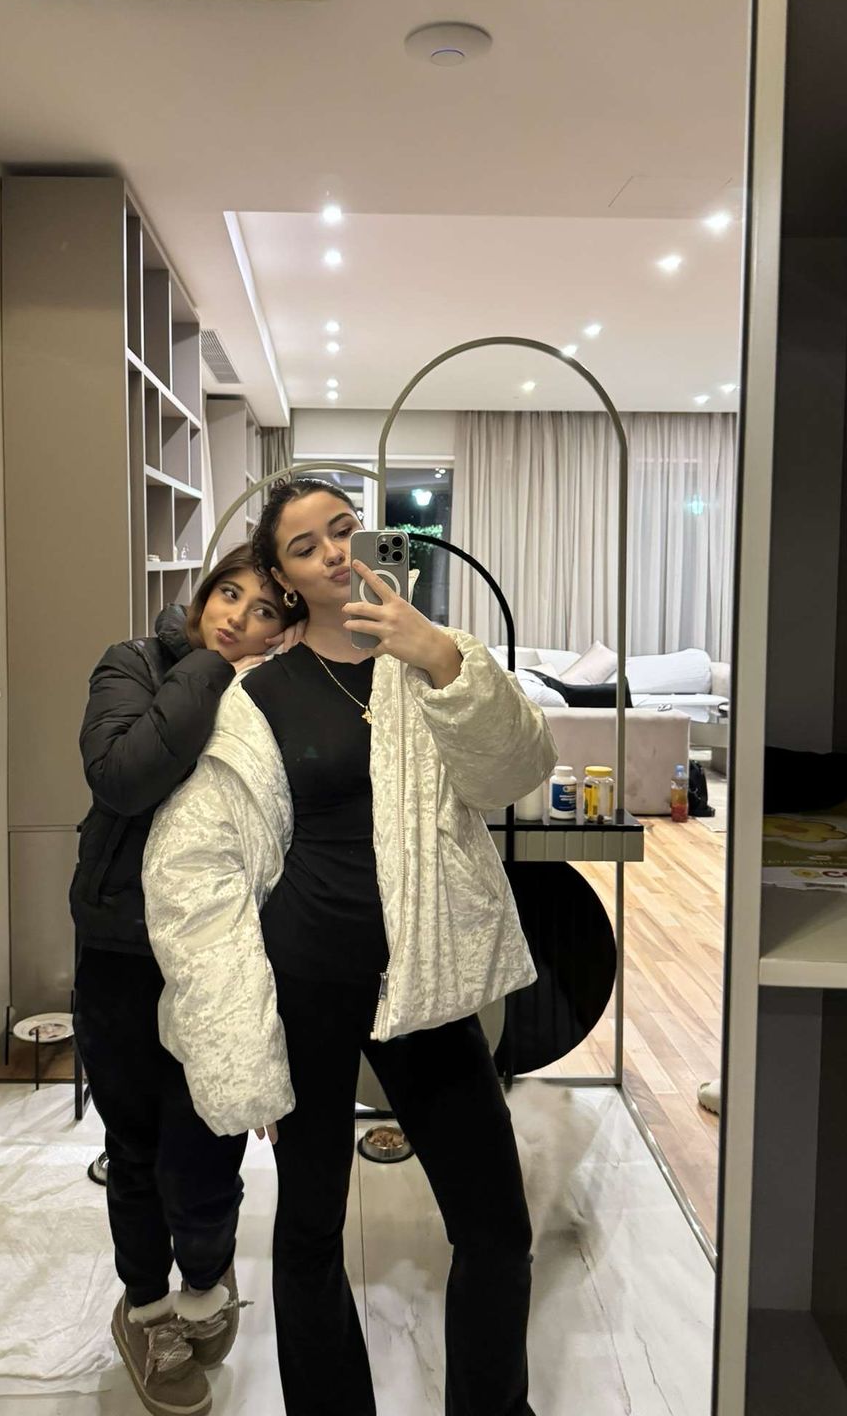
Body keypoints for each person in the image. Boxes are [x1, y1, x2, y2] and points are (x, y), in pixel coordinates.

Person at [143, 479, 557, 1416]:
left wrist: (441, 657)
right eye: (305, 547)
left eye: (343, 530)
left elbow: (518, 773)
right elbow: (199, 869)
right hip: (307, 980)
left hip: (424, 979)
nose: (334, 552)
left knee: (496, 1224)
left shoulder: (433, 661)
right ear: (284, 580)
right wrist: (239, 1049)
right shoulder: (258, 696)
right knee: (310, 1229)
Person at [70, 544, 297, 1416]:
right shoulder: (134, 663)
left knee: (207, 1141)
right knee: (133, 1147)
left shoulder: (277, 695)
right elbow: (124, 778)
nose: (238, 616)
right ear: (203, 595)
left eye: (264, 609)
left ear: (284, 630)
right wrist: (208, 667)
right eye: (228, 594)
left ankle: (205, 1277)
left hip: (223, 952)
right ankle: (146, 1310)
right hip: (124, 949)